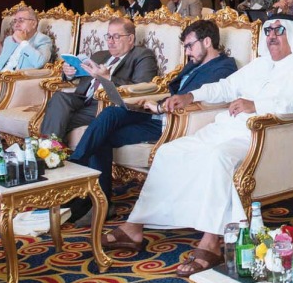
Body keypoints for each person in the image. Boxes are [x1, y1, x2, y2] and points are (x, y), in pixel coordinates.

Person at [98, 14, 293, 275]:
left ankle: (211, 241)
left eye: (279, 31)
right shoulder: (260, 65)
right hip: (226, 128)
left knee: (217, 157)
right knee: (171, 151)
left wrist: (256, 105)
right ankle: (134, 227)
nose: (271, 36)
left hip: (260, 135)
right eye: (268, 31)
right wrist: (191, 95)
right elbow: (225, 87)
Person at [66, 19, 237, 221]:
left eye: (190, 46)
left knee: (105, 133)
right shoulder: (193, 64)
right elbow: (172, 89)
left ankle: (75, 179)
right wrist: (148, 100)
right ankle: (99, 201)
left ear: (207, 42)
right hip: (156, 112)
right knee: (111, 114)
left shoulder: (224, 68)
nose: (187, 52)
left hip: (173, 122)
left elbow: (198, 96)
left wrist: (160, 106)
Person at [39, 17, 157, 141]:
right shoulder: (99, 55)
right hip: (82, 99)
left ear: (130, 38)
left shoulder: (142, 56)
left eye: (116, 37)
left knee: (57, 118)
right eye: (108, 36)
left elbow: (141, 87)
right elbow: (82, 75)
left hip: (107, 104)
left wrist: (108, 78)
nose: (110, 42)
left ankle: (48, 151)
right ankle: (49, 151)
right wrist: (69, 73)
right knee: (59, 97)